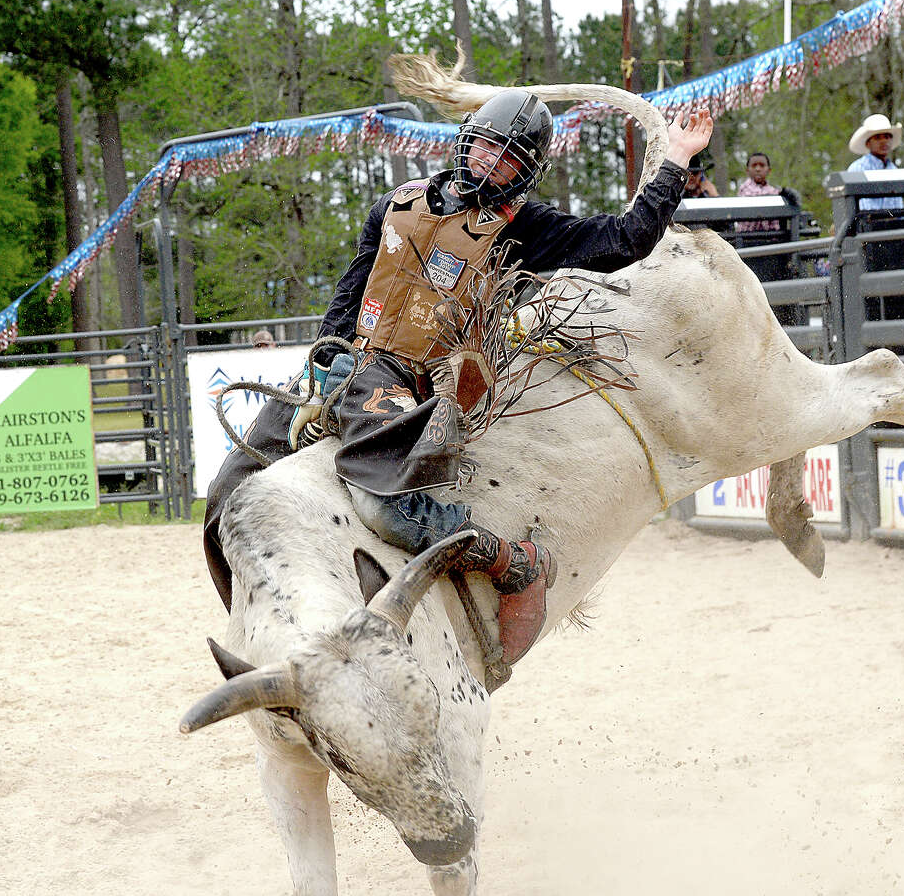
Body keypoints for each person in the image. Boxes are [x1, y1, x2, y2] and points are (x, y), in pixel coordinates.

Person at [202, 90, 714, 666]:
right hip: (343, 363)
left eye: (511, 159)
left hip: (406, 381)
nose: (492, 164)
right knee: (229, 487)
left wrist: (675, 160)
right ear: (467, 140)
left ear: (528, 172)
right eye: (488, 147)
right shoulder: (398, 202)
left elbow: (626, 239)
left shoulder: (527, 230)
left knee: (382, 508)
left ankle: (510, 561)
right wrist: (326, 358)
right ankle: (260, 623)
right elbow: (354, 287)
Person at [846, 113, 903, 210]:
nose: (883, 141)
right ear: (868, 143)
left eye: (887, 136)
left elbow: (899, 205)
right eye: (877, 137)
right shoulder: (858, 169)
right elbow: (864, 210)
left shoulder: (893, 168)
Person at [735, 152, 781, 232]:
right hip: (747, 237)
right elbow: (757, 196)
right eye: (754, 166)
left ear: (769, 170)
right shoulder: (744, 188)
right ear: (747, 170)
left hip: (771, 236)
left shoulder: (773, 190)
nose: (758, 169)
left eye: (762, 166)